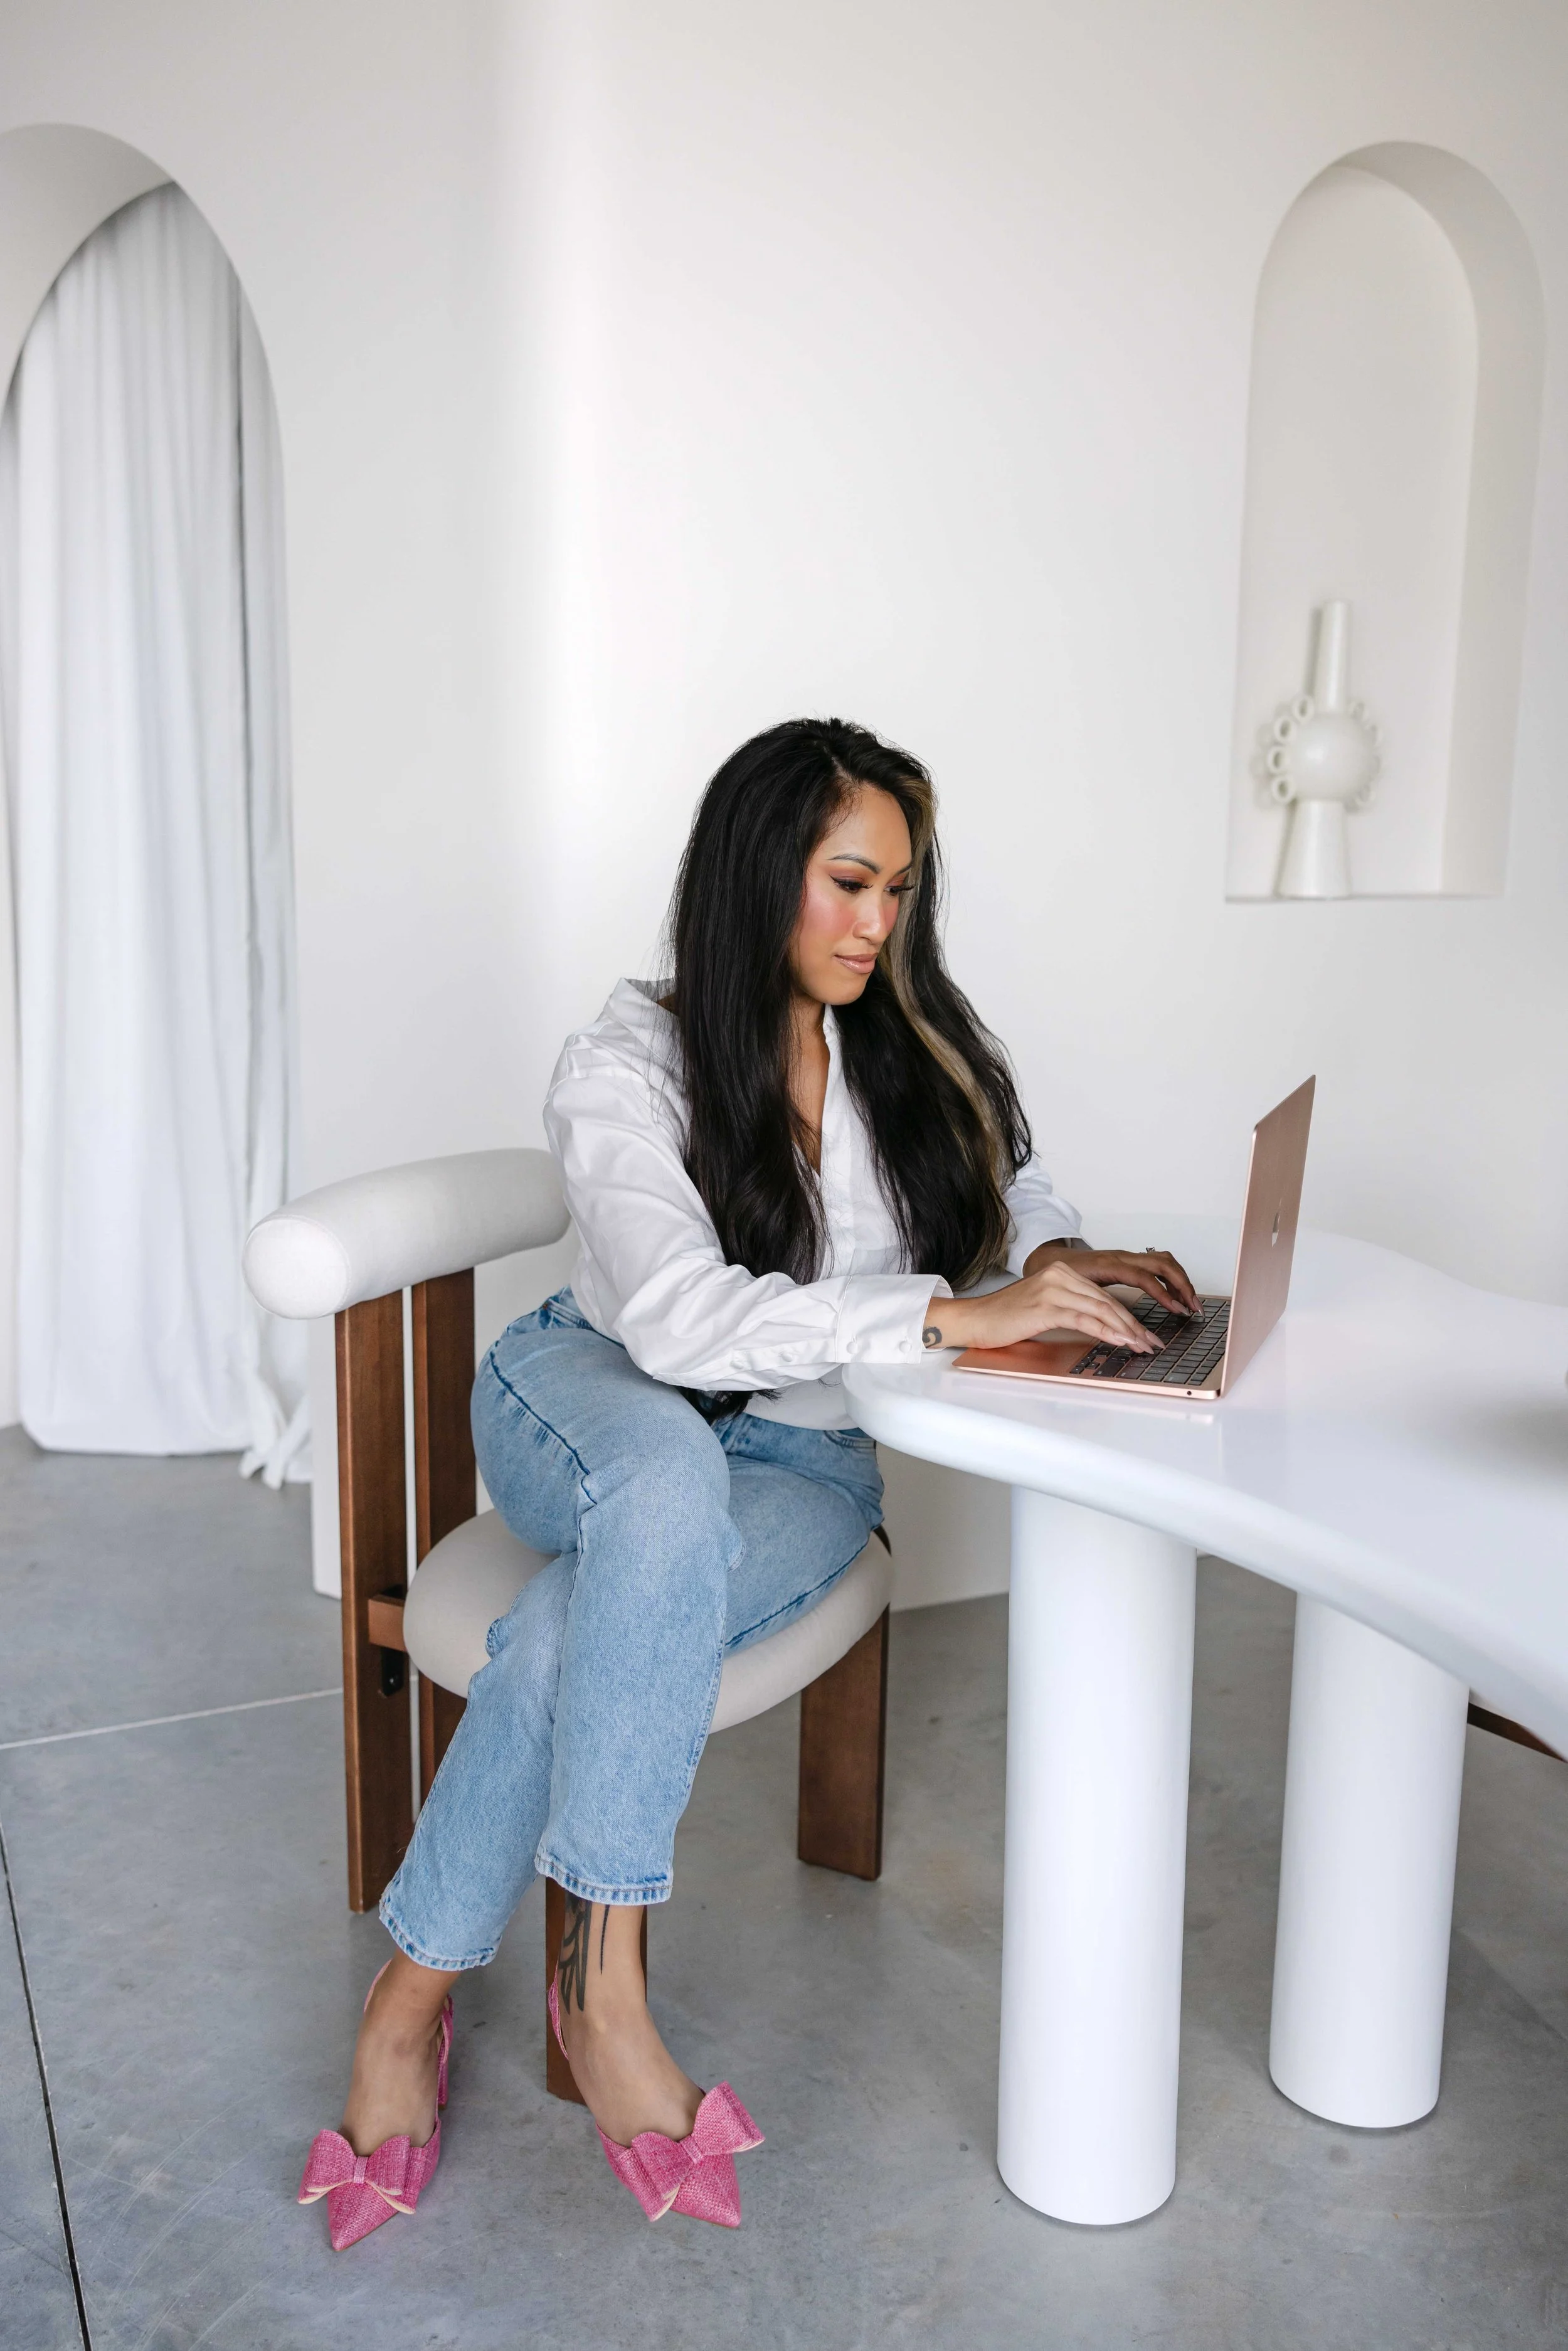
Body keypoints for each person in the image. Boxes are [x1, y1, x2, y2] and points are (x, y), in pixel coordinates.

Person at [297, 718, 1199, 2246]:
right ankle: (611, 1989)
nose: (877, 922)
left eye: (900, 889)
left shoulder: (915, 1039)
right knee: (655, 1477)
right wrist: (934, 1311)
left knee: (585, 1625)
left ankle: (409, 1997)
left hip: (800, 1450)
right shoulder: (628, 1056)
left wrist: (1042, 1260)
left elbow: (1014, 1171)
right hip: (592, 1390)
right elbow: (672, 1316)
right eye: (849, 880)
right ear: (758, 868)